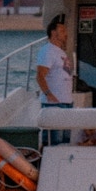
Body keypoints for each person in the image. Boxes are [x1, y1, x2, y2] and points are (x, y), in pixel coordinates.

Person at [36, 14, 73, 145]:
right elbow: (40, 75)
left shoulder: (61, 52)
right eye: (62, 31)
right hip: (54, 103)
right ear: (53, 33)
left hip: (66, 102)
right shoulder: (48, 51)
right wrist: (49, 95)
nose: (66, 34)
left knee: (65, 141)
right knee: (54, 141)